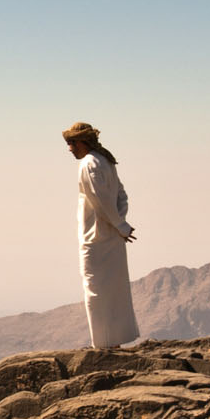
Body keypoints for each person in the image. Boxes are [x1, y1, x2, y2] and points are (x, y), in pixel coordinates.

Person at [63, 122, 140, 348]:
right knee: (113, 287)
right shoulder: (105, 161)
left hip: (95, 237)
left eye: (71, 143)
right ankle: (113, 341)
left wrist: (120, 225)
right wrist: (119, 223)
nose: (69, 149)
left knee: (95, 288)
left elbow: (100, 201)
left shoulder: (89, 163)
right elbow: (121, 196)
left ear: (82, 142)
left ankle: (104, 345)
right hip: (110, 234)